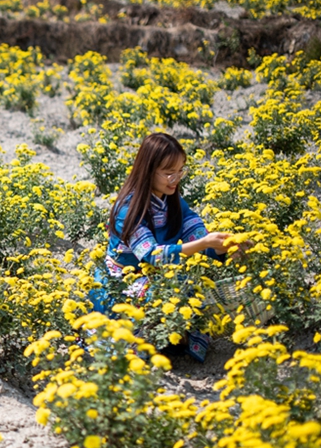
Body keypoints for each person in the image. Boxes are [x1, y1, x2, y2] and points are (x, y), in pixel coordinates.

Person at [89, 132, 232, 362]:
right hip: (122, 281)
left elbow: (197, 235)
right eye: (168, 173)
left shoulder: (172, 201)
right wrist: (203, 243)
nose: (175, 179)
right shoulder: (128, 209)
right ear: (148, 171)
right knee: (162, 296)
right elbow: (152, 255)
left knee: (195, 290)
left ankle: (170, 340)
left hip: (155, 275)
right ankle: (156, 341)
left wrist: (224, 247)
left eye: (180, 171)